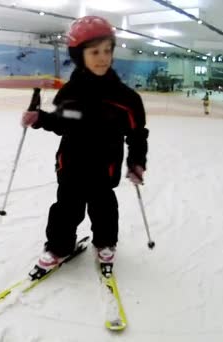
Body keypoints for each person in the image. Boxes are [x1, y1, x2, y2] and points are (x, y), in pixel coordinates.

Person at [21, 16, 148, 271]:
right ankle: (58, 247)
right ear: (79, 55)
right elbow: (62, 123)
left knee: (104, 208)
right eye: (95, 52)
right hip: (71, 164)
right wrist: (40, 119)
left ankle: (105, 243)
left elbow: (136, 134)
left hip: (105, 167)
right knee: (65, 209)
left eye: (107, 50)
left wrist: (136, 162)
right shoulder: (69, 93)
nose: (103, 57)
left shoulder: (126, 99)